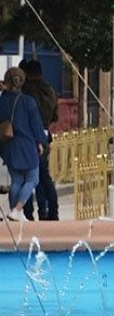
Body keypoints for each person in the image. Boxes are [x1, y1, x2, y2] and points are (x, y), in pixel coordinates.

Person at [2, 67, 47, 221]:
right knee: (33, 178)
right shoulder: (28, 101)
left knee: (16, 180)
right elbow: (36, 125)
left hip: (8, 145)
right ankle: (18, 209)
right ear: (22, 81)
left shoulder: (2, 100)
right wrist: (40, 142)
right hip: (26, 144)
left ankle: (14, 211)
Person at [19, 60, 58, 221]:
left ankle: (28, 212)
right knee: (43, 176)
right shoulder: (49, 89)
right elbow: (56, 115)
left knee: (26, 176)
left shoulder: (27, 90)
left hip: (30, 136)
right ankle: (51, 211)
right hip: (45, 133)